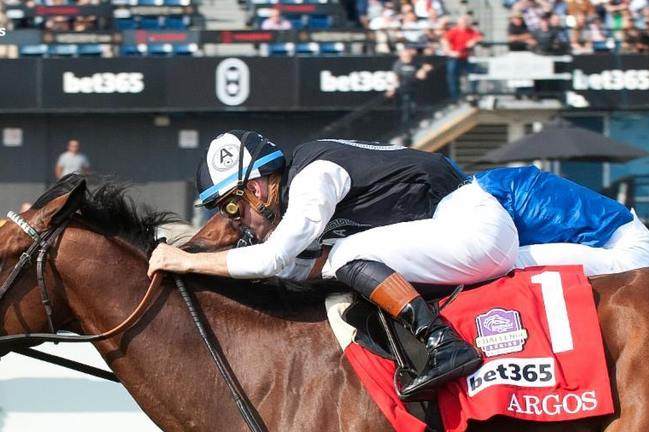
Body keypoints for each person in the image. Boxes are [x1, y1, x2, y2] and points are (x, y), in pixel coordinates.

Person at [148, 131, 518, 399]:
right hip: (463, 232)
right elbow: (297, 269)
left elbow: (274, 257)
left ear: (256, 189)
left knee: (346, 254)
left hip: (473, 228)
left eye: (231, 207)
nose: (236, 221)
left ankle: (443, 343)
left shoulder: (313, 179)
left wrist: (184, 261)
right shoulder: (300, 192)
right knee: (338, 259)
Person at [473, 165, 649, 276]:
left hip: (630, 255)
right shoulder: (490, 186)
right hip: (628, 241)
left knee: (502, 264)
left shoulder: (488, 197)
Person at [388, 47, 434, 137]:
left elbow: (426, 69)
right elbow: (395, 77)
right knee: (406, 111)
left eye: (408, 55)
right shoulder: (398, 64)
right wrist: (392, 88)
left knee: (414, 108)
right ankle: (406, 131)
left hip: (416, 90)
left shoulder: (415, 63)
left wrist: (423, 70)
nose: (407, 57)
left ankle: (413, 126)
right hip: (404, 90)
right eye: (405, 56)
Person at [442, 15, 482, 99]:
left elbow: (479, 37)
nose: (464, 23)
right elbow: (445, 41)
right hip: (455, 57)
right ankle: (455, 96)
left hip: (466, 58)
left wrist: (474, 41)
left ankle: (472, 93)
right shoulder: (454, 31)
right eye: (462, 22)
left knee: (476, 72)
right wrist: (451, 52)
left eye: (466, 21)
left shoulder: (471, 31)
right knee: (452, 75)